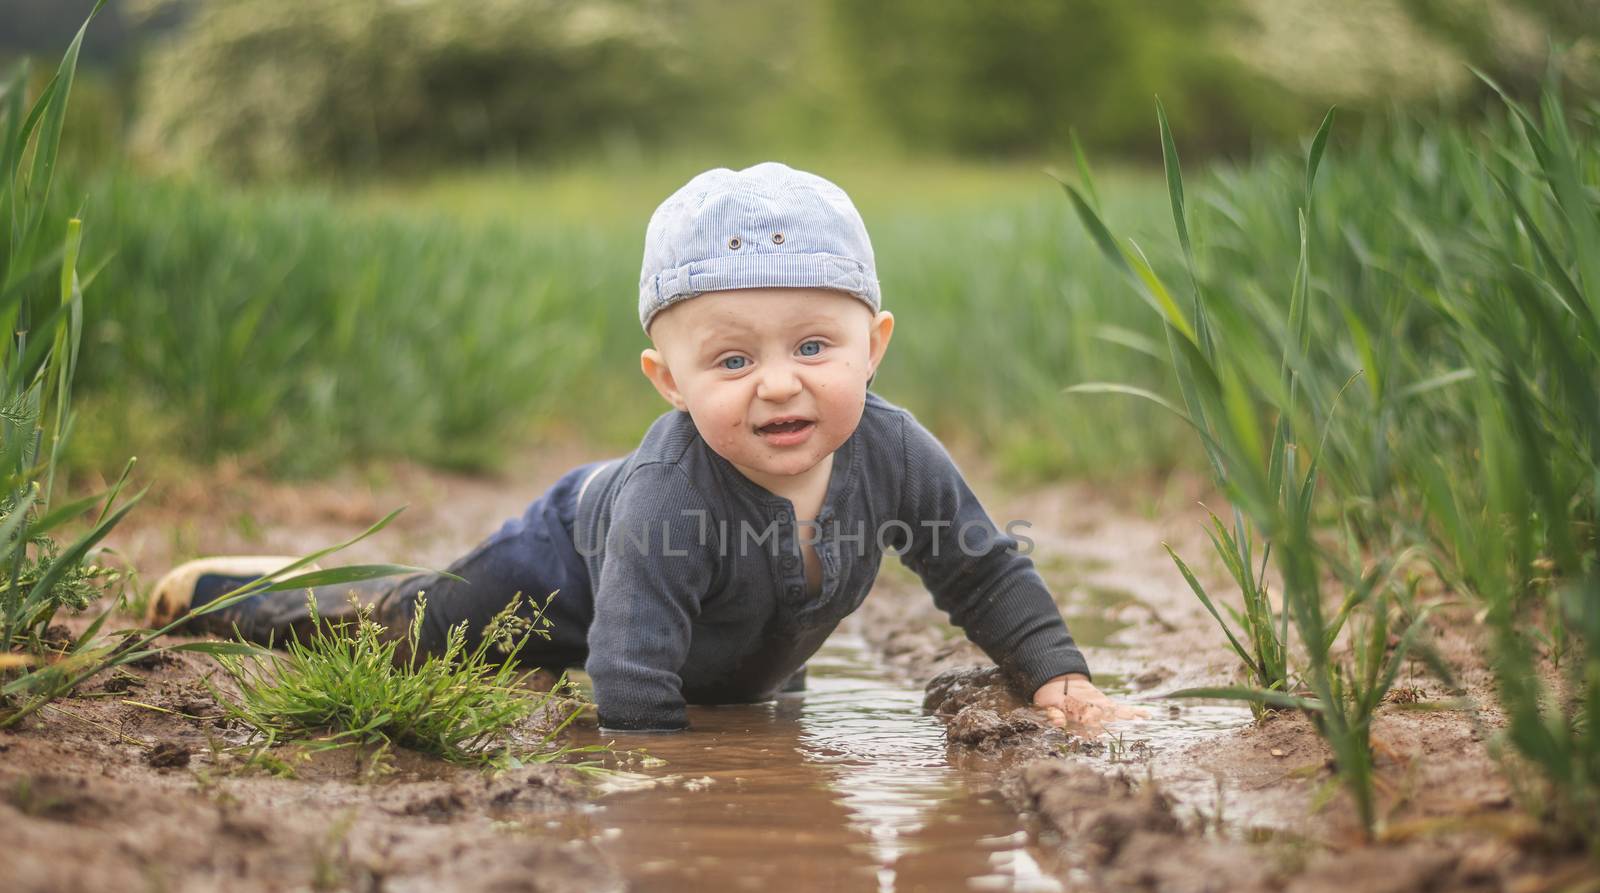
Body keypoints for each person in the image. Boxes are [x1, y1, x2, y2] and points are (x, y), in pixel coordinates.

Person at [148, 162, 1136, 732]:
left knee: (743, 676)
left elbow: (981, 568)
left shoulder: (894, 452)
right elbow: (626, 671)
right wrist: (686, 789)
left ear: (873, 347)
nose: (780, 381)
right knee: (417, 630)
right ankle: (238, 596)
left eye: (813, 345)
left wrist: (1056, 671)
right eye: (733, 358)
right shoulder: (671, 493)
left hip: (723, 638)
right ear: (668, 381)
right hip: (560, 566)